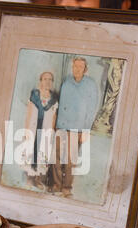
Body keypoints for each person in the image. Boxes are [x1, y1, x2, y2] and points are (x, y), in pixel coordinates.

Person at [51, 56, 99, 196]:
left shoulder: (90, 85)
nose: (77, 69)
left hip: (76, 128)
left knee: (71, 159)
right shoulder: (66, 82)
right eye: (75, 66)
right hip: (61, 126)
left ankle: (67, 188)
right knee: (56, 157)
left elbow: (92, 109)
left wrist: (86, 130)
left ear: (85, 69)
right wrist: (56, 124)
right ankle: (56, 184)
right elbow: (60, 105)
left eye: (80, 67)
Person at [22, 71, 59, 190]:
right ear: (41, 81)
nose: (47, 82)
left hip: (46, 130)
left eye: (50, 79)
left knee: (43, 153)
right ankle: (30, 178)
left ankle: (38, 179)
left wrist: (52, 132)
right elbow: (29, 113)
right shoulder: (35, 95)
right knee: (30, 152)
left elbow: (54, 116)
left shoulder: (53, 99)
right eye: (45, 79)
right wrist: (26, 129)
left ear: (52, 82)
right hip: (33, 128)